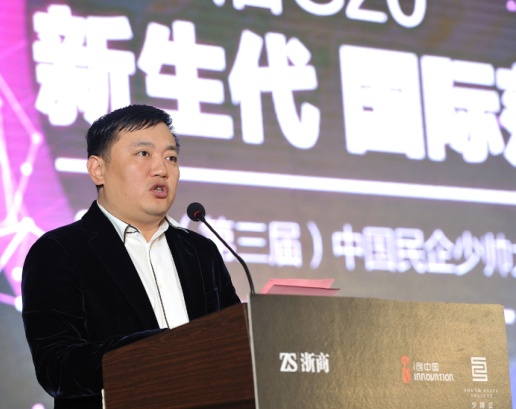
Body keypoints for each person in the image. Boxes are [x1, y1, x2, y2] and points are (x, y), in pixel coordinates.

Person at [21, 105, 240, 409]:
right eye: (143, 154)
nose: (161, 169)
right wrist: (165, 350)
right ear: (98, 170)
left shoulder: (201, 252)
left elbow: (234, 345)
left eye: (171, 157)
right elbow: (56, 367)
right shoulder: (59, 251)